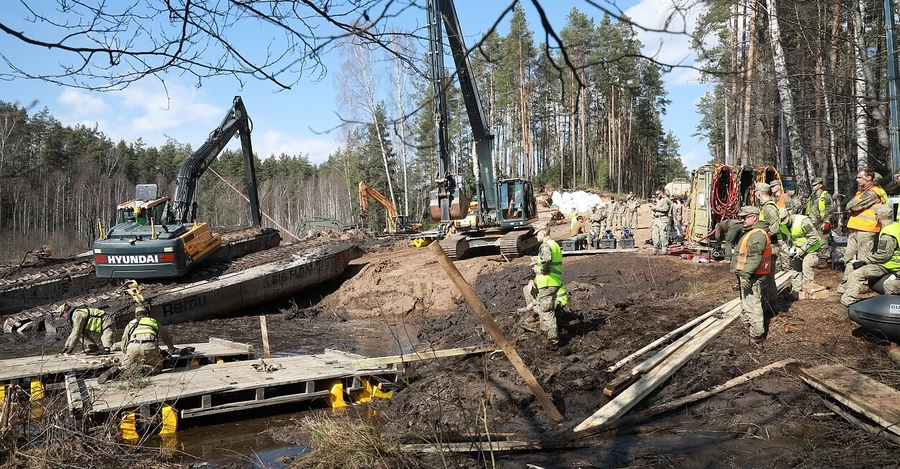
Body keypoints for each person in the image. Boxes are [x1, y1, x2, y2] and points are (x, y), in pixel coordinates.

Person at [840, 205, 900, 306]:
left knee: (856, 275)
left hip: (888, 265)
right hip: (891, 264)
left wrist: (864, 261)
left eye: (875, 215)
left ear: (878, 217)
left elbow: (883, 256)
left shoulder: (887, 235)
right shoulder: (895, 226)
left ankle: (846, 302)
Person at [99, 305, 176, 384]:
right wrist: (171, 347)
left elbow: (124, 344)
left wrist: (128, 354)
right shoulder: (153, 321)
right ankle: (143, 368)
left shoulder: (131, 323)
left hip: (132, 347)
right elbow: (166, 336)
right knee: (158, 368)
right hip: (149, 346)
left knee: (125, 367)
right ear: (147, 314)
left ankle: (117, 370)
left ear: (135, 315)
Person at [730, 206, 772, 344]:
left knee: (753, 304)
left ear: (754, 217)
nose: (742, 220)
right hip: (750, 274)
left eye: (745, 217)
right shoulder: (752, 232)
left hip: (754, 275)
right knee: (747, 302)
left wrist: (746, 275)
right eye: (741, 217)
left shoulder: (757, 234)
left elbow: (755, 257)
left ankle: (756, 334)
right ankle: (748, 325)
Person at [518, 228, 566, 346]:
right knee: (545, 307)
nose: (535, 237)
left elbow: (547, 260)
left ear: (543, 234)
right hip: (553, 281)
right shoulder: (555, 244)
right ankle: (546, 331)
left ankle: (552, 338)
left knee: (546, 309)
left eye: (537, 235)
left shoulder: (545, 246)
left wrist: (542, 269)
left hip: (547, 281)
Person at [845, 168, 886, 263]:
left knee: (863, 260)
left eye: (860, 177)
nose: (857, 179)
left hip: (867, 230)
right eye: (857, 177)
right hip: (856, 228)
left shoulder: (873, 192)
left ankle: (863, 278)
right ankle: (848, 278)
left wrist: (850, 206)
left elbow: (854, 206)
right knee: (848, 258)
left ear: (869, 178)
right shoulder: (861, 192)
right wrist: (850, 206)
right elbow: (848, 206)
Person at [781, 208, 821, 296]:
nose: (786, 223)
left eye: (786, 220)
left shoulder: (804, 221)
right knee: (795, 267)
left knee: (806, 266)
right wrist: (787, 250)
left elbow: (814, 238)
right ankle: (796, 291)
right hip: (797, 249)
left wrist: (803, 249)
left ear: (789, 215)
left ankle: (808, 290)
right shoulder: (781, 225)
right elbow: (781, 240)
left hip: (812, 248)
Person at [755, 182, 781, 299]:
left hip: (770, 247)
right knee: (766, 276)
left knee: (768, 277)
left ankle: (771, 304)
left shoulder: (769, 208)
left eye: (756, 192)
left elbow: (774, 228)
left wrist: (763, 238)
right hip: (767, 246)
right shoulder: (765, 206)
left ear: (759, 193)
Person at [806, 177, 835, 261]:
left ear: (820, 185)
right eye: (813, 185)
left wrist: (827, 221)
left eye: (815, 185)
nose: (813, 186)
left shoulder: (825, 196)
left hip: (821, 222)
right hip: (812, 221)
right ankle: (816, 258)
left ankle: (824, 259)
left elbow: (831, 209)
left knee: (823, 241)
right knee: (814, 240)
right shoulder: (812, 196)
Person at [649, 190, 672, 254]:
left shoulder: (666, 199)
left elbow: (666, 209)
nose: (657, 195)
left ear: (661, 193)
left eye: (658, 194)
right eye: (656, 194)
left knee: (663, 234)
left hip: (663, 218)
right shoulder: (657, 200)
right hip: (656, 218)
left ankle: (664, 249)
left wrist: (655, 208)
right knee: (655, 234)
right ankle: (655, 248)